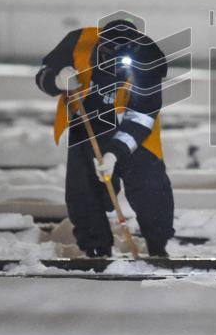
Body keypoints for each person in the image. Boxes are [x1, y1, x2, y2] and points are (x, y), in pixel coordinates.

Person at [35, 19, 174, 257]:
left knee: (150, 185)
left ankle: (157, 246)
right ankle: (96, 249)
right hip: (87, 122)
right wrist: (56, 80)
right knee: (83, 189)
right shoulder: (77, 43)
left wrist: (114, 154)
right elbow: (41, 75)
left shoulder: (148, 62)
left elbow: (141, 117)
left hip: (134, 130)